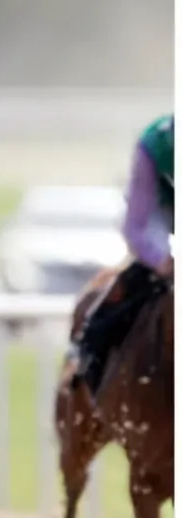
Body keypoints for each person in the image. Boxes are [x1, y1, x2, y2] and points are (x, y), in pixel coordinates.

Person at [70, 111, 173, 397]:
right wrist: (161, 260)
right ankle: (89, 361)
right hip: (161, 219)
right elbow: (136, 226)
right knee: (128, 293)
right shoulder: (156, 144)